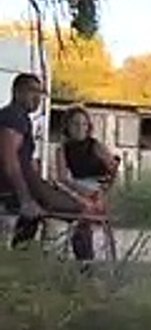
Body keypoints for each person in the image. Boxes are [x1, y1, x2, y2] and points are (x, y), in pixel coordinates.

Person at [0, 73, 97, 260]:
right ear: (17, 92)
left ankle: (18, 262)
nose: (37, 98)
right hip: (15, 187)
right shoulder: (14, 116)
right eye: (31, 91)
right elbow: (8, 160)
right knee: (83, 212)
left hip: (27, 185)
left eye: (40, 93)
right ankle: (86, 271)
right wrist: (25, 199)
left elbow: (22, 161)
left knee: (33, 217)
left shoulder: (20, 118)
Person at [53, 106, 120, 260]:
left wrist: (104, 190)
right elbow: (62, 178)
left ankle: (85, 263)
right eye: (75, 124)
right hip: (76, 188)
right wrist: (80, 190)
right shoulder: (62, 149)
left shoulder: (95, 146)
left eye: (84, 124)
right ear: (67, 127)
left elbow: (113, 171)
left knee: (83, 225)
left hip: (98, 187)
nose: (80, 128)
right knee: (56, 194)